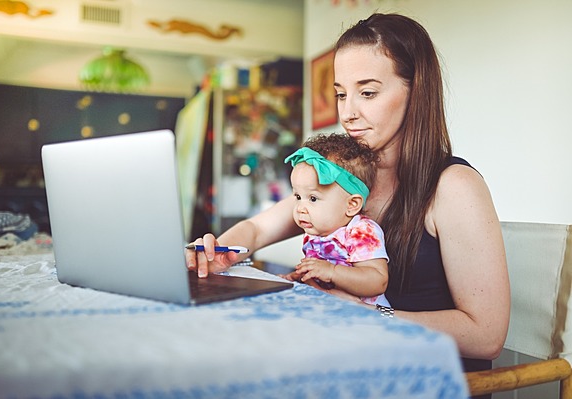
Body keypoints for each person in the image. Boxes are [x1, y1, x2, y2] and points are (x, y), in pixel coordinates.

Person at [186, 12, 510, 378]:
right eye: (341, 94)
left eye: (367, 93)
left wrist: (368, 315)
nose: (348, 113)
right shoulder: (342, 180)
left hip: (425, 377)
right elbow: (256, 230)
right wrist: (219, 253)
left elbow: (487, 336)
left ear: (416, 91)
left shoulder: (454, 185)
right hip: (357, 363)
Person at [282, 133, 390, 307]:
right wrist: (302, 276)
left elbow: (377, 281)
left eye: (313, 198)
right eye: (297, 196)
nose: (300, 208)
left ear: (352, 205)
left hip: (364, 319)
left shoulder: (361, 231)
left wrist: (331, 271)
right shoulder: (316, 232)